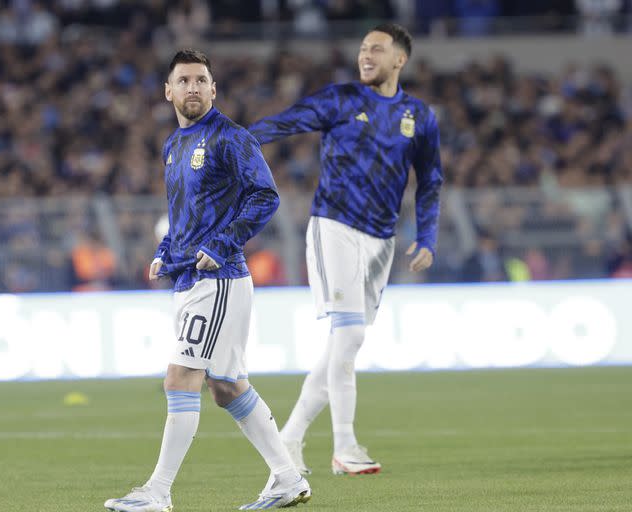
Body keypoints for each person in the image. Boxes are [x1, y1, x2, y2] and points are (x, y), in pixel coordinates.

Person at [104, 49, 311, 512]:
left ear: (213, 89)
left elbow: (265, 196)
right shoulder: (173, 145)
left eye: (201, 80)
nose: (192, 88)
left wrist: (220, 245)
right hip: (190, 280)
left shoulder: (230, 138)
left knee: (180, 379)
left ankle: (158, 491)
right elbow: (183, 216)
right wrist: (165, 251)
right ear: (168, 90)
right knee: (227, 386)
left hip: (219, 280)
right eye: (184, 80)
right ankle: (286, 477)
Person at [248, 23, 443, 476]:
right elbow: (282, 123)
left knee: (344, 344)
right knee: (349, 336)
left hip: (382, 240)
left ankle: (289, 440)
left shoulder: (420, 116)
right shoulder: (341, 99)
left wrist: (428, 236)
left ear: (400, 60)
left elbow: (431, 180)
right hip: (334, 226)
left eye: (377, 49)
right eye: (362, 49)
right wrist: (233, 139)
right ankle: (345, 446)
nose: (366, 56)